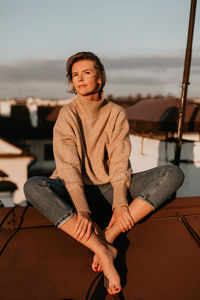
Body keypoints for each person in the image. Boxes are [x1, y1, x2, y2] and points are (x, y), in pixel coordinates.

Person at [24, 51, 184, 295]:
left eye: (86, 72)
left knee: (172, 174)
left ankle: (108, 237)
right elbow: (69, 168)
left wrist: (120, 204)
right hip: (71, 189)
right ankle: (100, 249)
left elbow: (120, 162)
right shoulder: (68, 115)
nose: (79, 79)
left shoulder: (116, 113)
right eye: (74, 75)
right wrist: (83, 210)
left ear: (100, 78)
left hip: (109, 189)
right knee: (33, 185)